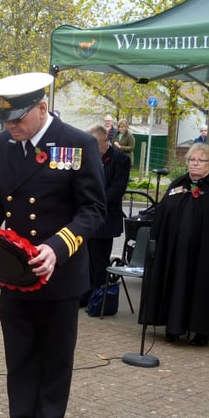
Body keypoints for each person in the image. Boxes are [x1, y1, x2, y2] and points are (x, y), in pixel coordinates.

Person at [0, 73, 105, 418]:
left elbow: (93, 210)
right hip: (15, 271)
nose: (11, 127)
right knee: (19, 352)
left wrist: (57, 246)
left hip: (58, 269)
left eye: (18, 118)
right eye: (6, 120)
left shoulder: (79, 143)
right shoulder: (5, 144)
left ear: (42, 108)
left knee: (55, 357)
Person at [140, 143, 209, 347]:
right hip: (175, 251)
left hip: (206, 254)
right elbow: (163, 214)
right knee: (175, 285)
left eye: (201, 160)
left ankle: (201, 331)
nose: (195, 164)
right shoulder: (179, 184)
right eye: (192, 160)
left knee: (201, 290)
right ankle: (173, 327)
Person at [83, 123, 130, 302]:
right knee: (85, 260)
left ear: (106, 140)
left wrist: (93, 202)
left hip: (105, 219)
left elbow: (116, 190)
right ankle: (85, 295)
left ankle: (99, 298)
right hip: (86, 217)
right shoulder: (88, 157)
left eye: (95, 143)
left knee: (100, 260)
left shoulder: (120, 160)